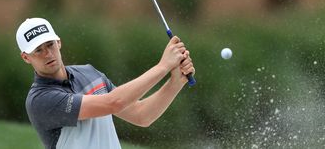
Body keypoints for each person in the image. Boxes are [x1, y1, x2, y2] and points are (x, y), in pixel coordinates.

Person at [16, 17, 195, 149]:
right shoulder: (40, 100)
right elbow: (113, 103)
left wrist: (175, 82)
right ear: (26, 57)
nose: (47, 54)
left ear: (59, 42)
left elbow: (141, 115)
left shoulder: (90, 73)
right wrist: (163, 66)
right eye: (38, 50)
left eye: (49, 45)